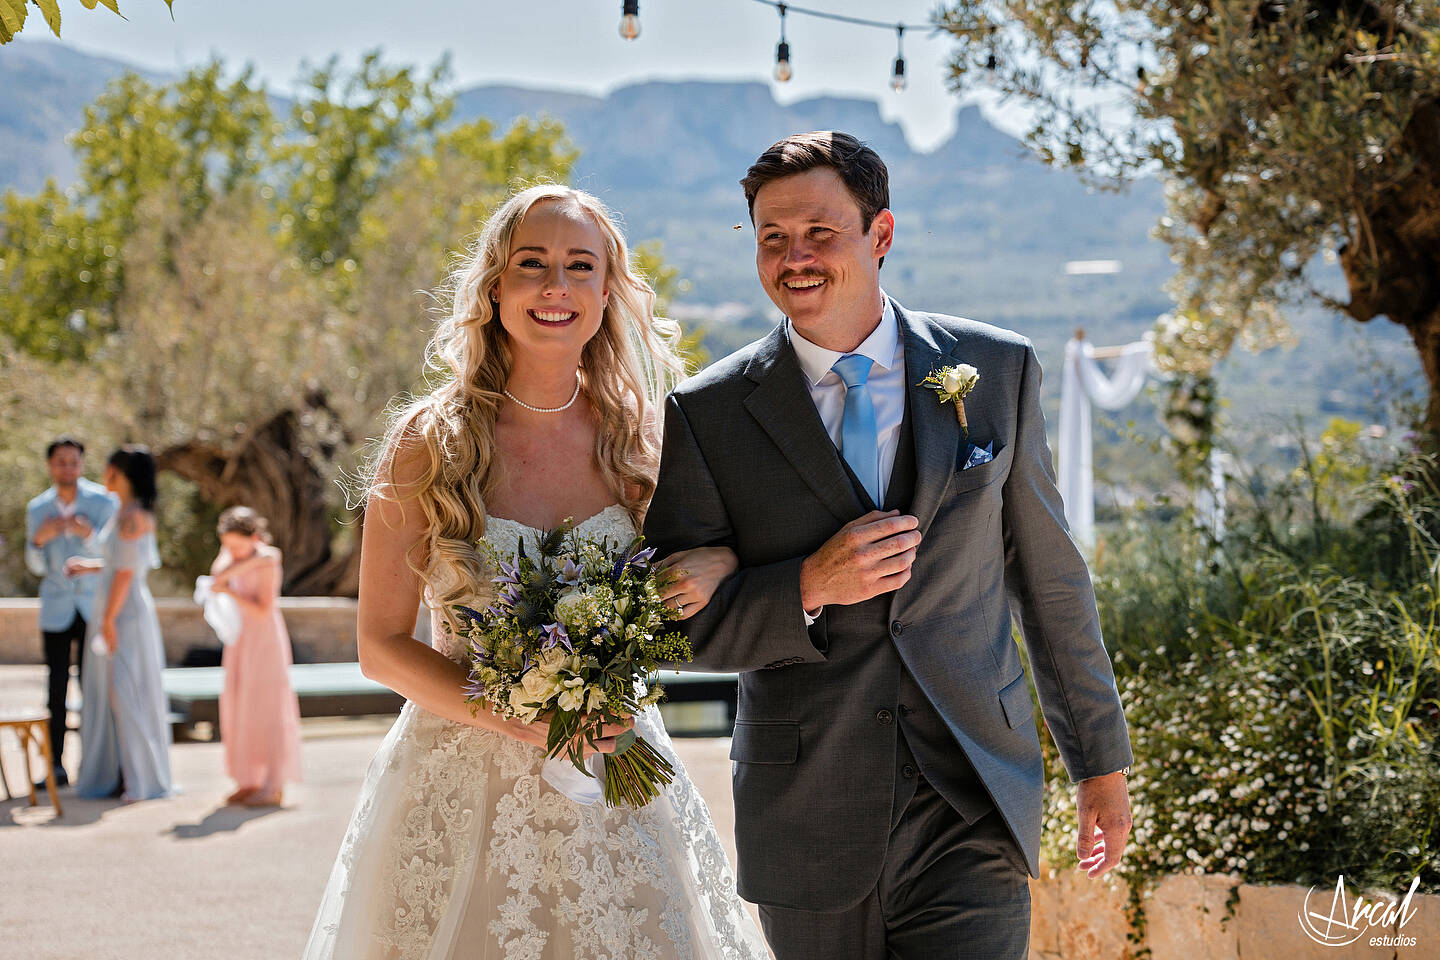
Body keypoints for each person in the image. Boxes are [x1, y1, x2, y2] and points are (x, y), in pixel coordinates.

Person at [644, 131, 1135, 959]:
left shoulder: (996, 370)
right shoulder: (707, 413)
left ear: (881, 234)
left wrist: (1101, 763)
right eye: (772, 238)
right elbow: (672, 626)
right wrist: (805, 584)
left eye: (820, 233)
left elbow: (1050, 581)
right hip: (810, 813)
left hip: (972, 796)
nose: (794, 257)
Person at [303, 184, 768, 960]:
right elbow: (381, 645)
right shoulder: (429, 443)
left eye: (580, 266)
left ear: (607, 290)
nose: (556, 286)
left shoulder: (644, 440)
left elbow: (712, 560)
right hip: (462, 784)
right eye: (532, 264)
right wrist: (513, 718)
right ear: (493, 288)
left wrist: (717, 560)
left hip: (617, 770)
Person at [68, 445, 174, 802]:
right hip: (115, 608)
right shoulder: (125, 513)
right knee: (118, 690)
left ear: (116, 472)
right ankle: (123, 776)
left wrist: (109, 621)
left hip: (124, 613)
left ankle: (139, 781)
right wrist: (89, 565)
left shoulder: (132, 516)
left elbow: (128, 572)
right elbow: (119, 564)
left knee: (125, 691)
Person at [25, 437, 117, 787]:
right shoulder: (37, 509)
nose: (68, 468)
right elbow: (35, 566)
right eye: (61, 462)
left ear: (82, 464)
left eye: (73, 462)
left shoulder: (102, 502)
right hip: (56, 608)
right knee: (57, 686)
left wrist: (88, 534)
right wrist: (39, 541)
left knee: (93, 686)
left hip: (92, 606)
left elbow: (114, 556)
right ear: (50, 465)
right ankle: (55, 766)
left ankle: (94, 765)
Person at [208, 506, 302, 807]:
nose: (232, 550)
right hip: (239, 642)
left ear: (255, 537)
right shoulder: (244, 557)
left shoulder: (268, 561)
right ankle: (248, 779)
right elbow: (216, 576)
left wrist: (231, 588)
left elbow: (262, 609)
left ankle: (273, 785)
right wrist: (238, 565)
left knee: (267, 710)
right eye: (228, 545)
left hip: (264, 641)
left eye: (237, 545)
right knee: (240, 706)